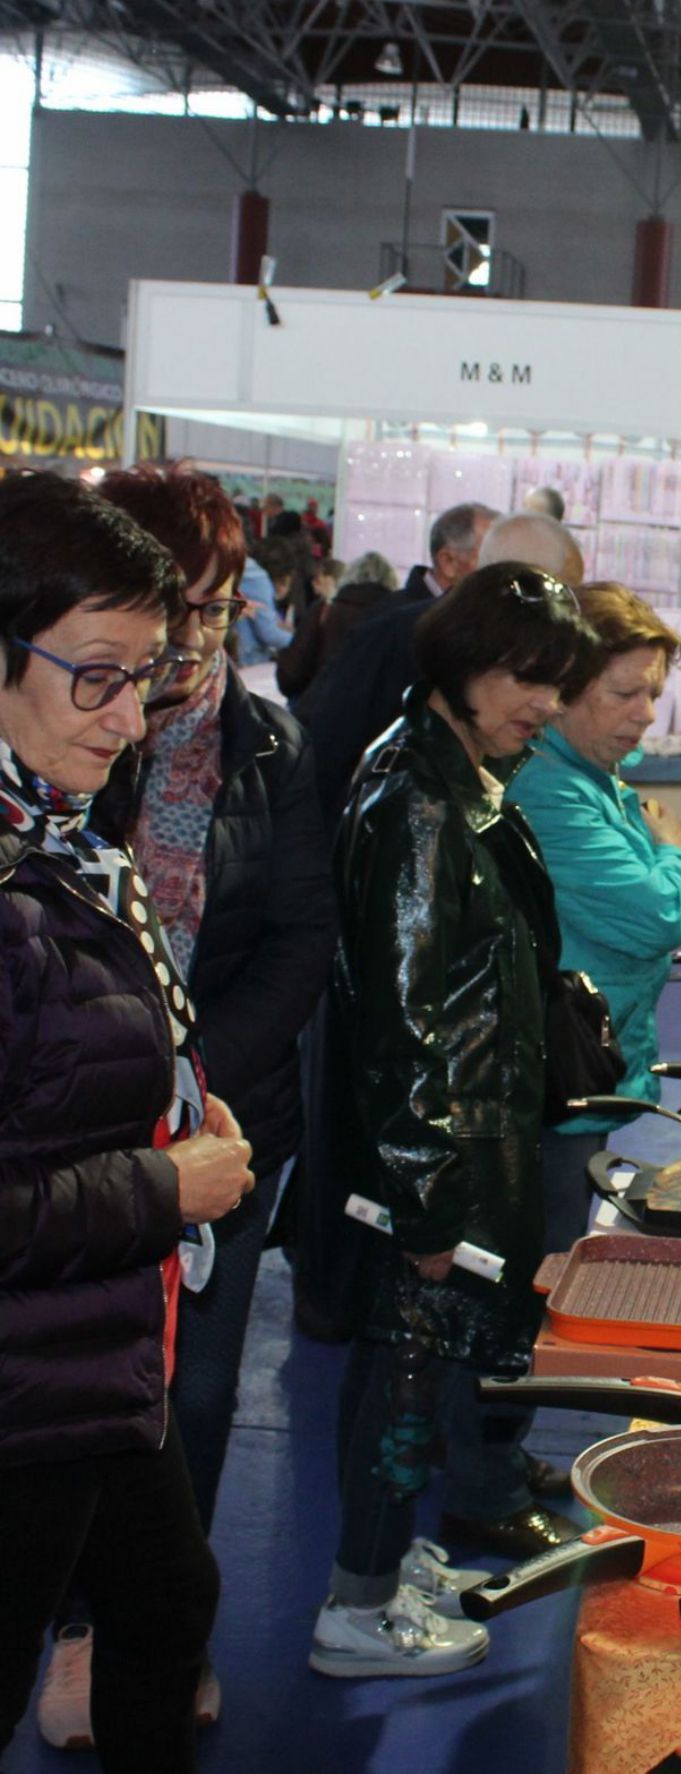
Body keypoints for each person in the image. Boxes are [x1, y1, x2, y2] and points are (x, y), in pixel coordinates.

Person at [46, 462, 336, 1742]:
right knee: (85, 1420)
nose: (192, 646)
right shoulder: (60, 767)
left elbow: (298, 934)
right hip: (80, 1158)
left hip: (212, 1124)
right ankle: (82, 1644)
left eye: (221, 612)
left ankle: (146, 1643)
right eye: (181, 608)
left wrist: (187, 1075)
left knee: (196, 1405)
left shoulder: (266, 743)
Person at [0, 472, 255, 1770]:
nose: (124, 714)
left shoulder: (57, 842)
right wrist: (171, 1188)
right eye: (93, 675)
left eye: (139, 674)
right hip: (29, 1377)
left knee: (169, 1598)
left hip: (83, 1353)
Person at [310, 562, 601, 1679]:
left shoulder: (445, 772)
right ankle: (356, 1607)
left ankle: (373, 1570)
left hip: (444, 1145)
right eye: (524, 677)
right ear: (465, 664)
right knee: (404, 1379)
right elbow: (402, 1019)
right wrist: (429, 1198)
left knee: (404, 1373)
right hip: (428, 1159)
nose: (540, 701)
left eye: (551, 683)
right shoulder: (421, 801)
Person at [506, 583, 681, 1252]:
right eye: (624, 694)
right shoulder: (550, 789)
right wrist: (678, 858)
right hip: (555, 1073)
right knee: (547, 1259)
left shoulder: (592, 773)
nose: (644, 715)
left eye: (654, 696)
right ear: (565, 689)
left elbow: (629, 893)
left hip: (585, 1059)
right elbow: (655, 914)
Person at [299, 502, 503, 823]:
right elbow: (336, 734)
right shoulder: (397, 626)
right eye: (492, 561)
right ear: (448, 560)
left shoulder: (469, 634)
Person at [276, 549, 399, 711]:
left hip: (321, 714)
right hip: (375, 719)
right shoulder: (397, 617)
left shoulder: (325, 611)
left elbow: (290, 675)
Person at [233, 536, 297, 667]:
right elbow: (269, 634)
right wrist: (300, 641)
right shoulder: (259, 578)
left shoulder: (245, 570)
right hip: (251, 660)